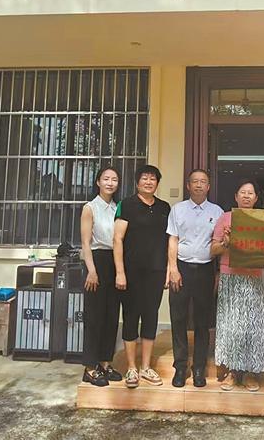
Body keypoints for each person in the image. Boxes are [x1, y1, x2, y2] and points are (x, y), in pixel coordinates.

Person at [210, 179, 264, 392]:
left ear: (256, 198)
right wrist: (226, 243)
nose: (246, 196)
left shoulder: (263, 219)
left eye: (250, 193)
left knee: (252, 326)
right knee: (230, 326)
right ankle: (231, 372)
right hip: (230, 276)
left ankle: (251, 372)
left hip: (254, 277)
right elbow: (213, 250)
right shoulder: (225, 218)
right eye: (242, 192)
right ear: (236, 197)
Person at [113, 165, 171, 389]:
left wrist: (168, 269)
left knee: (150, 316)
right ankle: (131, 367)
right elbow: (117, 239)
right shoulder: (126, 205)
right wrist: (120, 272)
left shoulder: (164, 207)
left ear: (157, 183)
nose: (149, 182)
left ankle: (146, 367)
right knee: (130, 316)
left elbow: (169, 240)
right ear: (137, 182)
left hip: (156, 271)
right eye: (144, 178)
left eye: (153, 179)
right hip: (131, 272)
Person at [166, 169, 225, 388]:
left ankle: (199, 367)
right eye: (195, 182)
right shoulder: (178, 209)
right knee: (178, 318)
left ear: (208, 186)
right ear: (188, 185)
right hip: (181, 269)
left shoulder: (217, 212)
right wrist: (172, 268)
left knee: (203, 320)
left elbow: (220, 245)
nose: (199, 185)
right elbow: (173, 239)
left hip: (206, 270)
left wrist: (218, 273)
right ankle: (180, 367)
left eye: (203, 182)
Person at [81, 167, 122, 386]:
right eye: (106, 178)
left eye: (114, 179)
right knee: (94, 316)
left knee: (111, 315)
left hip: (114, 262)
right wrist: (91, 270)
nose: (110, 183)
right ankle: (90, 367)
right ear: (98, 182)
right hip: (96, 261)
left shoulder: (118, 207)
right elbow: (85, 242)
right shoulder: (90, 208)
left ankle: (105, 363)